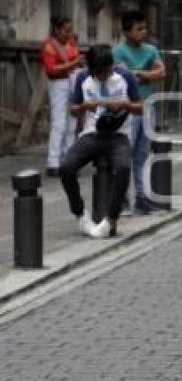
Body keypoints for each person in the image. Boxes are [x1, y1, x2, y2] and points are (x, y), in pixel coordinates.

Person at [61, 46, 141, 238]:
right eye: (99, 73)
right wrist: (84, 106)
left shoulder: (125, 76)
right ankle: (80, 215)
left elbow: (141, 108)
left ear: (112, 65)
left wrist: (124, 104)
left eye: (107, 71)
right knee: (66, 167)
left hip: (119, 134)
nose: (104, 76)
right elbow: (72, 110)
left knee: (123, 168)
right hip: (92, 132)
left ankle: (111, 219)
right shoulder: (83, 78)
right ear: (91, 69)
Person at [112, 11, 165, 214]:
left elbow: (162, 72)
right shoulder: (118, 51)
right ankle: (122, 198)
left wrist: (141, 73)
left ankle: (141, 197)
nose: (144, 32)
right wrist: (144, 75)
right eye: (139, 29)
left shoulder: (151, 50)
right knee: (126, 152)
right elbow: (122, 77)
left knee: (142, 153)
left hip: (147, 105)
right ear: (126, 32)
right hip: (128, 108)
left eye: (144, 28)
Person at [42, 16, 84, 177]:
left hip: (72, 82)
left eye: (71, 30)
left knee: (72, 123)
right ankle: (53, 162)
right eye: (66, 30)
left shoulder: (71, 42)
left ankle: (69, 160)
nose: (69, 34)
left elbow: (74, 58)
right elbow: (51, 69)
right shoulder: (49, 45)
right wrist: (74, 64)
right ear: (57, 30)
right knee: (59, 123)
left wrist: (77, 63)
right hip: (58, 84)